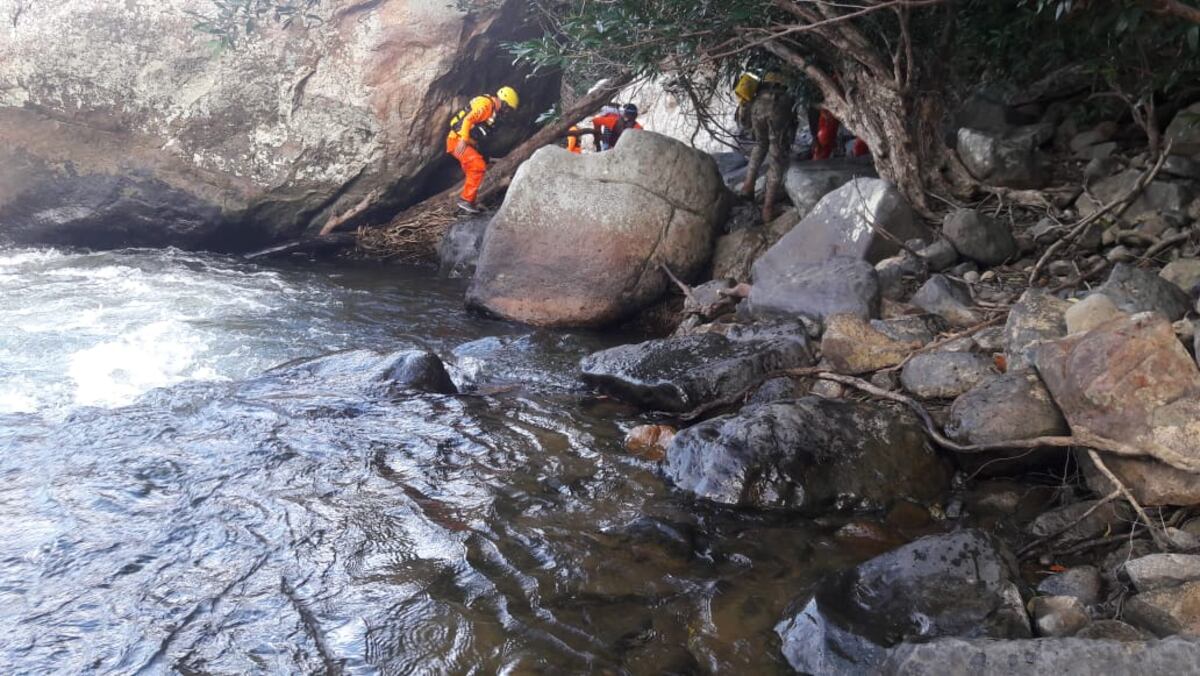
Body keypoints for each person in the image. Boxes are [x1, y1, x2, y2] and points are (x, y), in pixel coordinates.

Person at [447, 85, 520, 214]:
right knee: (478, 166)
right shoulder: (486, 106)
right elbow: (468, 120)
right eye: (508, 108)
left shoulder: (491, 110)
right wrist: (463, 140)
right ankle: (466, 200)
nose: (507, 112)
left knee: (476, 168)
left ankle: (468, 203)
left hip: (466, 143)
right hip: (457, 141)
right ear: (503, 102)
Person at [739, 71, 797, 222]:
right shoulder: (793, 62)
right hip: (779, 103)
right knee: (776, 156)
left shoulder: (764, 63)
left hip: (759, 103)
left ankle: (747, 187)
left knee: (760, 144)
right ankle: (768, 209)